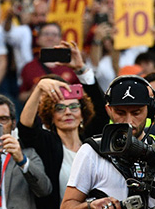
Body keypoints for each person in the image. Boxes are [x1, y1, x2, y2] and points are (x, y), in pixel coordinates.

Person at [61, 75, 155, 209]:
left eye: (136, 112)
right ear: (108, 110)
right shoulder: (91, 151)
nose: (128, 121)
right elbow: (66, 206)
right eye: (120, 112)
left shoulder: (153, 149)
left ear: (150, 111)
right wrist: (90, 206)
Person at [18, 76, 95, 209]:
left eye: (74, 107)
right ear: (51, 117)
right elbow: (26, 128)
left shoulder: (93, 146)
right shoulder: (47, 143)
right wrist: (38, 89)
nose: (67, 112)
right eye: (59, 108)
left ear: (82, 113)